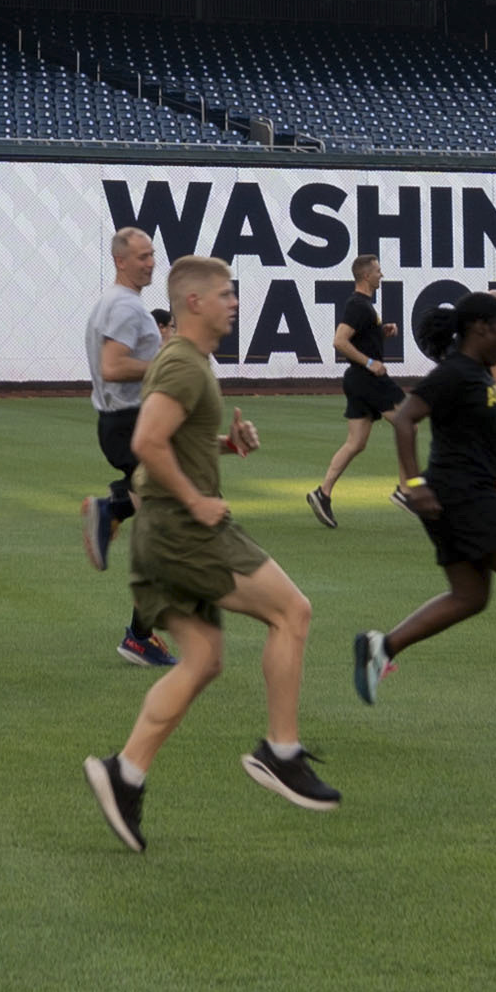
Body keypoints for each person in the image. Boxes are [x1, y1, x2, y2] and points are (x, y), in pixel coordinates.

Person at [92, 254, 335, 841]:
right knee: (292, 611)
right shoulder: (183, 365)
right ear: (194, 302)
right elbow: (148, 442)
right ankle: (280, 752)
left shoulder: (189, 362)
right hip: (184, 530)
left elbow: (173, 437)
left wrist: (226, 445)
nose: (235, 303)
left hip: (163, 534)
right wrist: (199, 502)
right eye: (226, 294)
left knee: (203, 661)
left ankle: (123, 775)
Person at [357, 286, 496, 720]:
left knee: (469, 596)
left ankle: (381, 648)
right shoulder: (456, 372)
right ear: (479, 328)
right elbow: (406, 418)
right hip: (465, 496)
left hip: (457, 497)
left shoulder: (476, 376)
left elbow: (473, 432)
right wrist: (412, 482)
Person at [78, 225, 162, 581]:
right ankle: (111, 505)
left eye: (152, 255)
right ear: (120, 261)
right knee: (168, 521)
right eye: (142, 257)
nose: (151, 263)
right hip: (130, 420)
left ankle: (114, 505)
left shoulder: (111, 302)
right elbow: (114, 367)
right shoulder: (125, 306)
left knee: (171, 503)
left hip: (120, 421)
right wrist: (165, 367)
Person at [307, 250, 401, 529]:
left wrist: (381, 331)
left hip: (358, 380)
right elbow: (339, 341)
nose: (381, 274)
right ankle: (408, 489)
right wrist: (371, 362)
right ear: (365, 275)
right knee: (408, 422)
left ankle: (322, 493)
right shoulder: (358, 304)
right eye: (378, 270)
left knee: (356, 443)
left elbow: (357, 337)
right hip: (368, 378)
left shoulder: (364, 306)